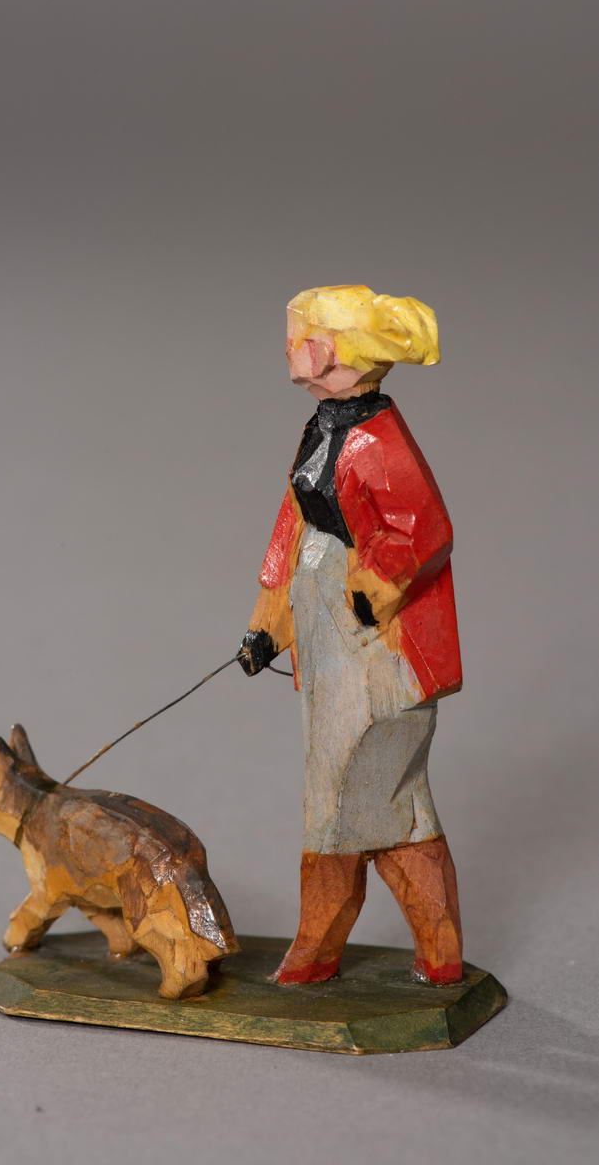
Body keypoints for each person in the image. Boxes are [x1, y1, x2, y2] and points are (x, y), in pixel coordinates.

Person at [238, 285, 463, 985]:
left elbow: (424, 529)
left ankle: (319, 950)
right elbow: (292, 524)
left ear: (338, 350)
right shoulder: (322, 427)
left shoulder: (378, 439)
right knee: (378, 800)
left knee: (353, 798)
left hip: (376, 651)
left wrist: (374, 589)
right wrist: (267, 625)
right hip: (327, 635)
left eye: (301, 336)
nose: (291, 352)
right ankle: (435, 954)